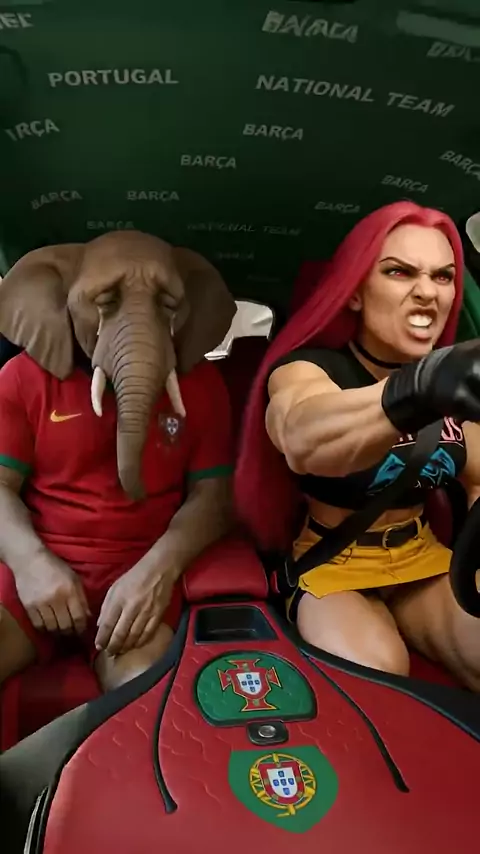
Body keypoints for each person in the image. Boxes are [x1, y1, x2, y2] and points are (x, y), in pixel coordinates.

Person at [235, 201, 480, 690]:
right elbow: (302, 437)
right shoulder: (308, 369)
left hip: (422, 555)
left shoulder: (456, 382)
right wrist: (416, 388)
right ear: (353, 292)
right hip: (332, 561)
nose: (427, 292)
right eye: (399, 272)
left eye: (442, 276)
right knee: (378, 679)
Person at [0, 235, 234, 693]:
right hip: (34, 573)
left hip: (138, 581)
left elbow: (214, 495)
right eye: (106, 302)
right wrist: (29, 562)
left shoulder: (203, 386)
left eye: (165, 304)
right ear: (57, 303)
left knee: (144, 699)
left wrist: (158, 571)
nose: (137, 325)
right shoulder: (21, 379)